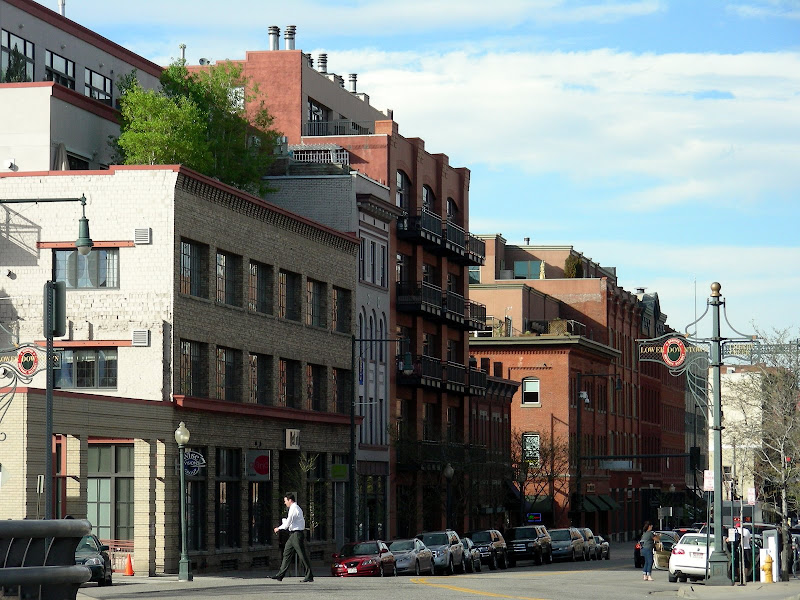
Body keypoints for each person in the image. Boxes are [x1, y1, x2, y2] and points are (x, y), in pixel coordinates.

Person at [270, 493, 314, 583]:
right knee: (286, 553)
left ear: (290, 500)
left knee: (302, 555)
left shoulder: (294, 509)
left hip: (296, 534)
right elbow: (290, 522)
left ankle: (309, 575)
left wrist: (278, 528)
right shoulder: (294, 508)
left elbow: (288, 523)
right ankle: (280, 575)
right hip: (293, 534)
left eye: (285, 501)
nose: (285, 503)